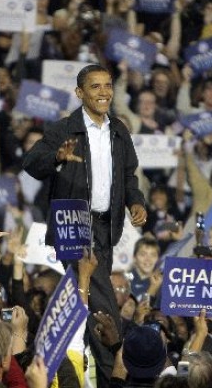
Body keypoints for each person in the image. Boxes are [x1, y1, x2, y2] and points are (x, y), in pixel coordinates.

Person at [23, 63, 147, 388]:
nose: (104, 92)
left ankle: (90, 372)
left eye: (108, 85)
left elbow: (129, 175)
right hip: (75, 226)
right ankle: (117, 372)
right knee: (104, 302)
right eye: (95, 86)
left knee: (92, 304)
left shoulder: (119, 130)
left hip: (107, 228)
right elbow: (31, 163)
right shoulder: (64, 129)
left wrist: (135, 201)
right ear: (80, 93)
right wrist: (57, 159)